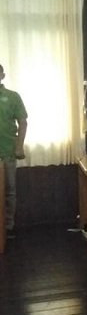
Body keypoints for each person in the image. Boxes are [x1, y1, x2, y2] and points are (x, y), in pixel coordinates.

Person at [0, 64, 27, 239]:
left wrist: (19, 146)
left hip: (8, 151)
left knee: (9, 191)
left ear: (2, 75)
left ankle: (8, 227)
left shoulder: (12, 96)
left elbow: (23, 122)